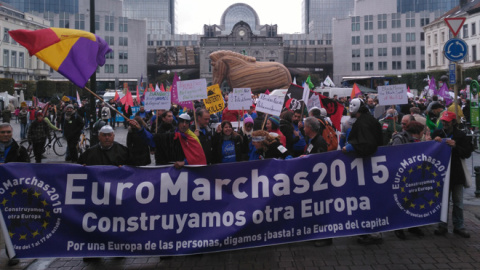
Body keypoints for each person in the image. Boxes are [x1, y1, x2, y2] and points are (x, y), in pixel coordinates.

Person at [342, 98, 383, 245]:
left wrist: (351, 147)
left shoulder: (364, 123)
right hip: (370, 167)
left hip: (367, 167)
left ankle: (373, 232)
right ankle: (370, 230)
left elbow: (367, 142)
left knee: (368, 199)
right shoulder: (369, 120)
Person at [431, 112, 473, 238]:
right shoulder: (437, 133)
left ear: (453, 122)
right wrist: (435, 143)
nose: (444, 123)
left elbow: (467, 153)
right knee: (442, 201)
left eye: (447, 121)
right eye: (443, 121)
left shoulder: (461, 135)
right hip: (441, 173)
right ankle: (442, 225)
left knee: (458, 201)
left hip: (456, 173)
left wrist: (455, 146)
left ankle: (459, 226)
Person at [390, 121, 426, 239]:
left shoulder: (418, 140)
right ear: (417, 132)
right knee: (401, 201)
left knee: (413, 200)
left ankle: (413, 225)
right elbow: (395, 155)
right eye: (422, 132)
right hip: (402, 175)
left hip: (413, 175)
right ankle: (398, 227)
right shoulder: (400, 138)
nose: (423, 134)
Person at [0, 123, 29, 266]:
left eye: (8, 132)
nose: (6, 135)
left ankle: (11, 253)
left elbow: (28, 170)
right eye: (3, 132)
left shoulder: (19, 150)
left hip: (11, 193)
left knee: (10, 223)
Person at [136, 113, 206, 168]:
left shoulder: (192, 137)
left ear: (189, 124)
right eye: (182, 122)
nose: (184, 125)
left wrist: (184, 162)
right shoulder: (173, 135)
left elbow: (198, 157)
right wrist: (140, 130)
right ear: (178, 123)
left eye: (186, 122)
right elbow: (153, 139)